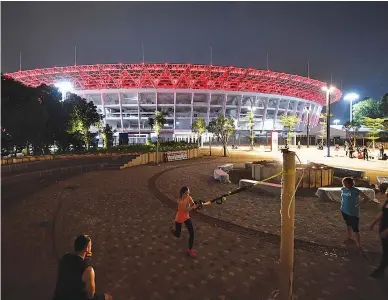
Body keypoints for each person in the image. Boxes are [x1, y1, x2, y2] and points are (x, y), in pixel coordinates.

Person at [53, 235, 113, 300]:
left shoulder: (65, 258)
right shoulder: (88, 270)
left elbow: (75, 262)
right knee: (108, 297)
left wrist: (84, 258)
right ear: (87, 248)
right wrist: (104, 297)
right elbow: (90, 296)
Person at [340, 177, 373, 249]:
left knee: (355, 229)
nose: (345, 185)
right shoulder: (343, 189)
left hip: (353, 213)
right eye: (344, 183)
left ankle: (359, 244)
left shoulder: (355, 190)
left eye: (346, 183)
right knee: (348, 225)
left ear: (351, 183)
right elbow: (343, 199)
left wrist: (359, 204)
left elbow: (366, 198)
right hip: (344, 210)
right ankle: (350, 238)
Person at [171, 186, 197, 257]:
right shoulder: (180, 201)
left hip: (186, 217)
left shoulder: (188, 197)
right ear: (182, 193)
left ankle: (190, 250)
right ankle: (173, 230)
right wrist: (193, 207)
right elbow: (186, 210)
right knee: (177, 234)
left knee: (192, 232)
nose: (188, 194)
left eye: (188, 192)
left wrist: (196, 204)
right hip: (179, 218)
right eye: (186, 193)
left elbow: (192, 203)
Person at [369, 191, 388, 279]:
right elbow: (382, 213)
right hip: (383, 228)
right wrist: (374, 222)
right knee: (385, 250)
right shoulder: (387, 201)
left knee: (386, 253)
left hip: (386, 231)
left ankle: (380, 270)